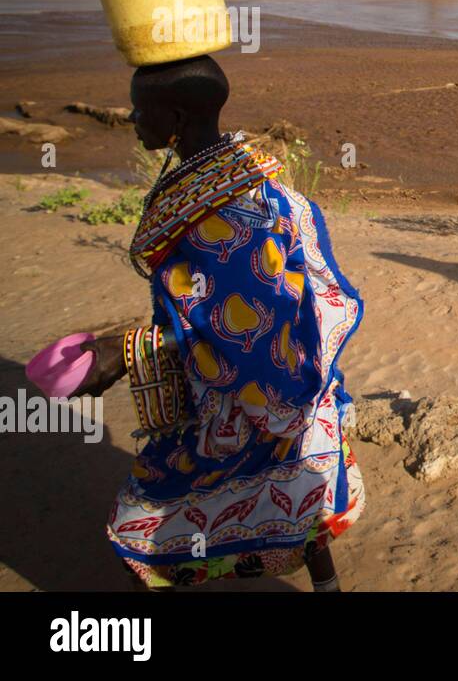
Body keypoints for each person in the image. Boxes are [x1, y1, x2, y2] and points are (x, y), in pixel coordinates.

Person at [75, 54, 365, 589]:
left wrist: (132, 348)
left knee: (136, 529)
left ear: (178, 118)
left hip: (251, 402)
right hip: (297, 383)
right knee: (305, 517)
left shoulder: (222, 219)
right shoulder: (258, 187)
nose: (134, 120)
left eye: (142, 112)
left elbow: (244, 330)